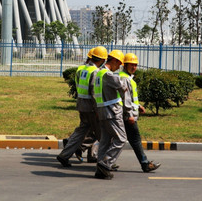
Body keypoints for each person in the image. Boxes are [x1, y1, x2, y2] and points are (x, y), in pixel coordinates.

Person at [56, 46, 108, 167]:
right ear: (102, 60)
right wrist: (97, 110)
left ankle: (64, 155)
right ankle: (106, 162)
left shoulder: (82, 70)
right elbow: (94, 93)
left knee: (81, 132)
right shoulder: (95, 72)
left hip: (81, 105)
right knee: (103, 135)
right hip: (91, 107)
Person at [120, 53, 161, 173]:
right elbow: (125, 100)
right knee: (135, 139)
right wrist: (129, 115)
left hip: (127, 113)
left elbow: (130, 98)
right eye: (131, 65)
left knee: (114, 140)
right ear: (125, 65)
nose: (134, 67)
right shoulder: (124, 78)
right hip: (127, 115)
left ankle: (106, 162)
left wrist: (138, 106)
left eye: (135, 65)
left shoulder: (128, 78)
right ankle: (145, 164)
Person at [94, 50, 127, 180]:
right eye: (119, 64)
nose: (119, 67)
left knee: (105, 141)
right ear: (114, 61)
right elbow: (122, 86)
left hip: (102, 110)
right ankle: (106, 163)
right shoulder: (108, 74)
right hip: (111, 111)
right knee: (121, 139)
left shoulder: (99, 73)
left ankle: (100, 170)